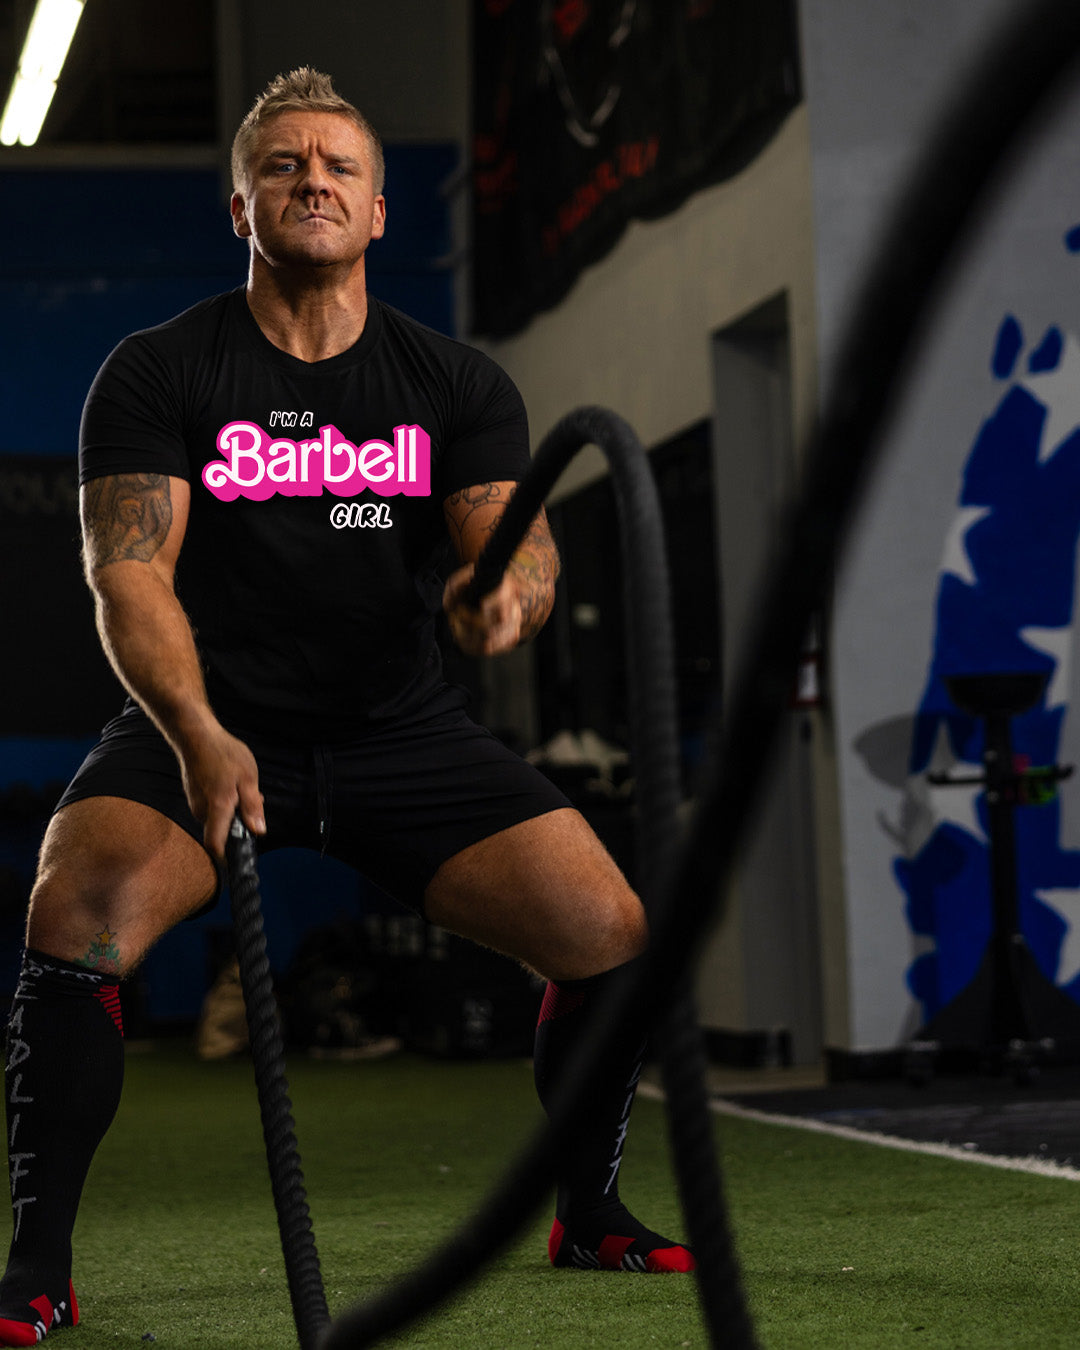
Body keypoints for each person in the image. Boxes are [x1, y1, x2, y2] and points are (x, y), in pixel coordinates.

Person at [0, 67, 693, 1345]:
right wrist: (200, 735)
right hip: (202, 721)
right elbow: (129, 576)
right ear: (241, 206)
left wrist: (506, 603)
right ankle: (36, 1264)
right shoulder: (160, 372)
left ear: (380, 212)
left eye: (338, 167)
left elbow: (513, 548)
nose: (311, 179)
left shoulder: (454, 385)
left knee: (608, 929)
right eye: (282, 165)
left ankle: (588, 1211)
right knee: (77, 907)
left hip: (397, 731)